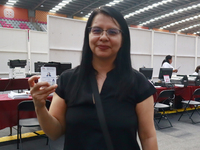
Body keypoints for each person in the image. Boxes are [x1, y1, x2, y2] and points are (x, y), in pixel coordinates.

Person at [28, 6, 158, 150]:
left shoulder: (138, 83)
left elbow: (148, 137)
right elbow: (54, 132)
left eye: (112, 32)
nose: (103, 37)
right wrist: (40, 107)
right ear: (88, 35)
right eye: (96, 30)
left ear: (123, 39)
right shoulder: (68, 79)